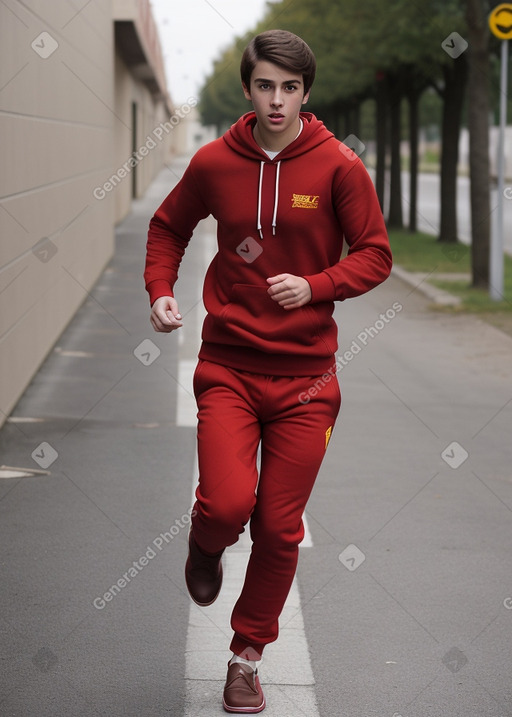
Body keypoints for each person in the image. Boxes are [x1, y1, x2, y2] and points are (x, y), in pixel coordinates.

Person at [144, 29, 392, 714]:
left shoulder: (339, 166)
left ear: (305, 93)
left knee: (280, 527)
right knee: (226, 503)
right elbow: (169, 226)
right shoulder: (215, 162)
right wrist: (160, 289)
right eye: (265, 86)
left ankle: (246, 657)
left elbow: (375, 253)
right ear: (248, 89)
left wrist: (316, 285)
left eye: (289, 88)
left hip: (308, 379)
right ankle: (205, 542)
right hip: (227, 365)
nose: (276, 100)